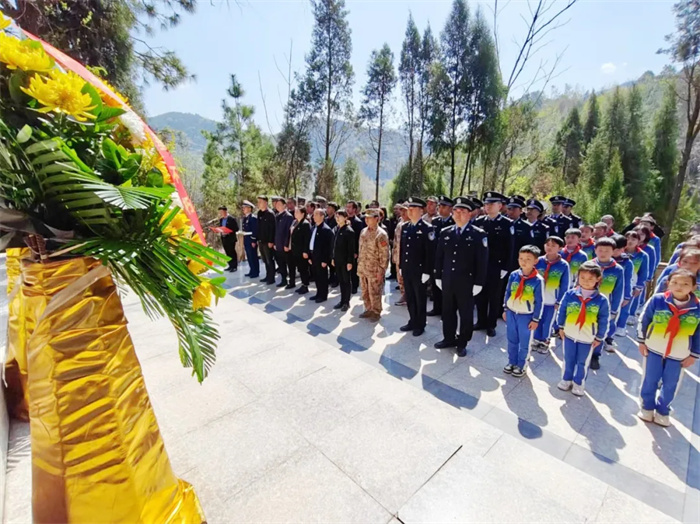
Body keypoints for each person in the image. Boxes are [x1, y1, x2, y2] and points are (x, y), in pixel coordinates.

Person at [637, 268, 700, 427]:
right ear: (668, 283)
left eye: (685, 284)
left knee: (671, 383)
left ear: (693, 287)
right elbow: (645, 319)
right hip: (654, 348)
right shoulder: (658, 300)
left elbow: (698, 333)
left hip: (679, 353)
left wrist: (694, 354)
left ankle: (663, 410)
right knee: (649, 379)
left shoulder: (697, 308)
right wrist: (642, 340)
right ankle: (647, 407)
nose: (679, 286)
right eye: (675, 282)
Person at [434, 197, 487, 357]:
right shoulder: (446, 232)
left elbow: (482, 261)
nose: (458, 214)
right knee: (448, 311)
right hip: (448, 279)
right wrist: (437, 275)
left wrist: (479, 282)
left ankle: (462, 341)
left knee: (466, 314)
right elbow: (439, 256)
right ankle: (448, 338)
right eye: (456, 211)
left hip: (467, 282)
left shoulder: (478, 234)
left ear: (470, 214)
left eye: (463, 211)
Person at [556, 261, 610, 396]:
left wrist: (600, 337)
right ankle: (566, 379)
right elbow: (562, 311)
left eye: (591, 278)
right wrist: (561, 326)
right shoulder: (570, 294)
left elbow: (604, 320)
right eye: (583, 278)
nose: (586, 281)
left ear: (598, 279)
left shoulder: (601, 300)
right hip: (569, 334)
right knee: (568, 358)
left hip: (587, 338)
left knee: (582, 362)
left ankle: (578, 383)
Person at [474, 191, 514, 337]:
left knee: (494, 296)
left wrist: (505, 268)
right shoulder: (479, 222)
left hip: (497, 267)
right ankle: (481, 321)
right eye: (486, 204)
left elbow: (510, 248)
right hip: (481, 267)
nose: (488, 207)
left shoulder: (506, 224)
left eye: (492, 204)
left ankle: (491, 324)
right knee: (480, 295)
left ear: (500, 206)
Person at [503, 245, 544, 377]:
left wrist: (536, 319)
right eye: (521, 258)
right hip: (511, 312)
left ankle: (521, 365)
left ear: (535, 261)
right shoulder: (514, 274)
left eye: (528, 259)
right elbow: (508, 292)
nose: (524, 261)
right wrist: (505, 308)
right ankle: (511, 362)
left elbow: (539, 301)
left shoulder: (538, 280)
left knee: (524, 342)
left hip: (526, 316)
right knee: (511, 339)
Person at [398, 197, 436, 336]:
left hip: (420, 271)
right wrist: (401, 266)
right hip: (408, 269)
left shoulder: (427, 228)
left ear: (421, 211)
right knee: (410, 297)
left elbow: (430, 253)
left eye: (413, 209)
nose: (410, 211)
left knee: (420, 298)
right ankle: (412, 320)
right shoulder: (405, 227)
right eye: (409, 209)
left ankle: (420, 323)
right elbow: (403, 248)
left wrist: (427, 271)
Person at [591, 237, 625, 369]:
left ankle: (595, 355)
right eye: (600, 250)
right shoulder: (589, 265)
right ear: (595, 251)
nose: (603, 253)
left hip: (606, 306)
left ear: (613, 251)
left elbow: (618, 290)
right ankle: (584, 353)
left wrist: (614, 309)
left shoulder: (618, 269)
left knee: (601, 331)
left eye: (607, 250)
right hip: (589, 303)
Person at [532, 236, 570, 354]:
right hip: (537, 298)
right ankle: (536, 339)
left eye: (553, 246)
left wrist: (560, 301)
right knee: (537, 319)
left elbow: (565, 285)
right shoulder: (538, 261)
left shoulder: (563, 265)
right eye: (547, 245)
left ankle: (545, 341)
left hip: (551, 300)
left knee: (548, 321)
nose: (549, 248)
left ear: (560, 248)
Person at [357, 208, 390, 321]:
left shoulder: (381, 234)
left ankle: (376, 311)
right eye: (366, 218)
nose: (367, 220)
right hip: (363, 267)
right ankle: (368, 309)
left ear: (377, 219)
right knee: (365, 291)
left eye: (369, 218)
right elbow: (360, 249)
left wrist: (382, 270)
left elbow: (385, 254)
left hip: (374, 269)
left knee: (375, 292)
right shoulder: (363, 231)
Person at [427, 196, 455, 317]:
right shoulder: (435, 221)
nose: (440, 209)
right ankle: (436, 308)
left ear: (450, 209)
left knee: (447, 288)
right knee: (435, 285)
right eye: (439, 206)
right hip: (436, 259)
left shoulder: (454, 222)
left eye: (443, 207)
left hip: (448, 260)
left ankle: (446, 311)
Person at [620, 230, 650, 326]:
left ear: (638, 241)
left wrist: (639, 286)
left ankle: (627, 320)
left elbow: (643, 272)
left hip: (633, 282)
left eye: (633, 239)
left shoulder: (643, 255)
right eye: (627, 238)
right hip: (620, 281)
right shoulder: (618, 252)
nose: (630, 241)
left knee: (630, 301)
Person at [308, 209, 334, 303]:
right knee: (316, 276)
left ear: (322, 216)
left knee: (322, 277)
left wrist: (325, 260)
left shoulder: (326, 230)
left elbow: (328, 247)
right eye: (313, 214)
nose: (313, 216)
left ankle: (323, 295)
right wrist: (310, 257)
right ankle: (318, 293)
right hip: (313, 256)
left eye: (316, 214)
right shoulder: (314, 227)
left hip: (321, 258)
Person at [332, 210, 356, 311]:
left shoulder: (349, 231)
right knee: (341, 281)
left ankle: (346, 302)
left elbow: (351, 249)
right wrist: (333, 258)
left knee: (346, 281)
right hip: (338, 260)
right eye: (336, 216)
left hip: (345, 261)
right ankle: (342, 300)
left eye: (340, 216)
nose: (337, 218)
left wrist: (350, 262)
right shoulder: (337, 229)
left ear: (345, 218)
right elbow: (334, 246)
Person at [611, 234, 634, 337]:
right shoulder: (603, 260)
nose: (614, 252)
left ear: (623, 249)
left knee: (614, 314)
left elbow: (628, 280)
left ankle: (610, 337)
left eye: (618, 249)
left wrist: (627, 296)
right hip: (605, 291)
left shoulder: (627, 263)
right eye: (613, 249)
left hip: (619, 292)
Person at [273, 197, 295, 288]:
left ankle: (291, 281)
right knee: (280, 263)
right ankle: (283, 279)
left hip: (285, 246)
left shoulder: (288, 216)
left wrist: (286, 244)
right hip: (278, 244)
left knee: (289, 264)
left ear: (284, 205)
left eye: (279, 204)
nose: (277, 206)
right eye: (276, 204)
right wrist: (274, 243)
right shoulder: (277, 216)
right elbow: (275, 231)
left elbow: (288, 232)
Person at [290, 207, 312, 293]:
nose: (295, 214)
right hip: (296, 250)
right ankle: (303, 284)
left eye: (297, 212)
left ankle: (305, 285)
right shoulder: (295, 222)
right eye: (295, 212)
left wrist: (305, 251)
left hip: (302, 251)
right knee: (300, 268)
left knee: (303, 269)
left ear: (303, 214)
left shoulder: (305, 224)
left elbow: (307, 239)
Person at [257, 196, 277, 284]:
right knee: (264, 260)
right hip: (261, 241)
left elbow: (273, 228)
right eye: (258, 202)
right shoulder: (259, 213)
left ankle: (271, 278)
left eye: (260, 202)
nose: (259, 204)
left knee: (269, 260)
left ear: (265, 203)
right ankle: (267, 276)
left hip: (268, 242)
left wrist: (271, 241)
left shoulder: (270, 214)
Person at [510, 196, 533, 269]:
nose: (511, 211)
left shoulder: (526, 227)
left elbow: (529, 246)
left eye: (514, 209)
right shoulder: (502, 224)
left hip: (519, 262)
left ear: (520, 210)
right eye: (509, 209)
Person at [346, 200, 365, 294]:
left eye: (350, 207)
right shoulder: (344, 220)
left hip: (353, 250)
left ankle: (354, 286)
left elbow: (359, 238)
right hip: (345, 249)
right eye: (347, 207)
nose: (347, 209)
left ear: (354, 209)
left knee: (354, 270)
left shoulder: (358, 222)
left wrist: (356, 252)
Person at [392, 203, 409, 306]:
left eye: (404, 211)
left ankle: (408, 296)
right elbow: (395, 241)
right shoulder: (400, 224)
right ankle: (403, 294)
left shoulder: (412, 224)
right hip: (398, 255)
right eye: (401, 211)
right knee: (400, 278)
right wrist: (394, 254)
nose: (402, 213)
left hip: (407, 257)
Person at [217, 205, 239, 272]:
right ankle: (230, 265)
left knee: (232, 252)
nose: (221, 213)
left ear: (225, 211)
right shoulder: (221, 220)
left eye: (222, 211)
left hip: (230, 238)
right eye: (220, 212)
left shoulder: (231, 219)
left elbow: (236, 228)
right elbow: (221, 227)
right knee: (227, 252)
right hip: (224, 238)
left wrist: (228, 231)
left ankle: (234, 266)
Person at [241, 201, 259, 278]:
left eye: (245, 208)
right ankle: (252, 270)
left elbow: (255, 230)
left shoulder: (253, 218)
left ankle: (256, 272)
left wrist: (253, 240)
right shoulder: (245, 218)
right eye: (243, 208)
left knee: (253, 256)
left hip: (251, 240)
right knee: (249, 256)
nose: (243, 209)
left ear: (249, 208)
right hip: (246, 239)